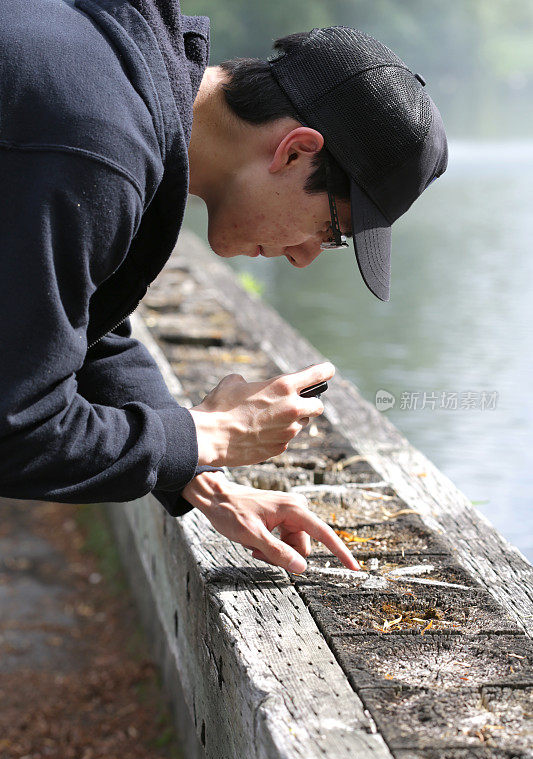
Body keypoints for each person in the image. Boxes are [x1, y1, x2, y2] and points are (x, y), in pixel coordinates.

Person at [0, 0, 447, 574]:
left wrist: (197, 477)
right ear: (295, 150)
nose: (306, 257)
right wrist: (206, 432)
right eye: (334, 231)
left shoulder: (121, 76)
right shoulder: (97, 145)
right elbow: (17, 428)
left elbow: (79, 325)